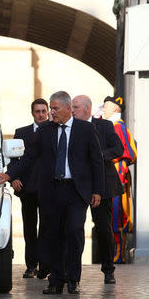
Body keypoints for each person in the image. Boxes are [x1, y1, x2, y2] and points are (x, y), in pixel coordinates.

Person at [0, 91, 104, 295]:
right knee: (53, 235)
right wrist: (8, 175)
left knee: (73, 232)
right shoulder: (45, 130)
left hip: (77, 191)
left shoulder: (86, 129)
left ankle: (73, 279)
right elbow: (28, 157)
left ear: (68, 108)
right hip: (52, 190)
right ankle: (56, 280)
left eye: (55, 108)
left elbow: (96, 162)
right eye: (50, 108)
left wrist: (98, 190)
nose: (51, 112)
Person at [72, 95, 124, 284]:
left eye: (76, 107)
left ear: (87, 109)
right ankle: (71, 273)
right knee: (74, 228)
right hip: (78, 186)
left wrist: (99, 155)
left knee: (104, 229)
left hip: (103, 184)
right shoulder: (71, 128)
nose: (72, 111)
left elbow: (118, 148)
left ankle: (109, 270)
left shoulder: (104, 126)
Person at [8, 98, 49, 279]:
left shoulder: (54, 130)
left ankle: (45, 265)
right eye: (37, 111)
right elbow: (14, 158)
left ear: (47, 112)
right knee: (30, 228)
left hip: (50, 188)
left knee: (48, 228)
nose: (41, 115)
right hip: (28, 188)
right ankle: (31, 265)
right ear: (32, 113)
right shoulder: (21, 132)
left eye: (43, 111)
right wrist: (13, 178)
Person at [101, 96, 137, 264]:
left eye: (107, 107)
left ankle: (119, 253)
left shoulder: (117, 127)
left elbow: (125, 152)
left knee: (117, 216)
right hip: (115, 176)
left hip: (117, 177)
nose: (104, 110)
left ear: (115, 109)